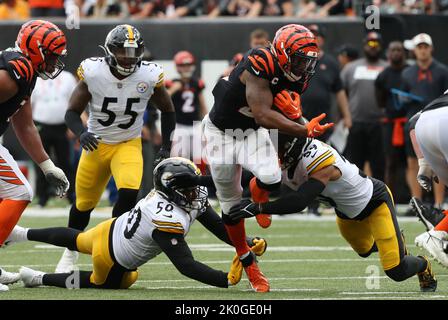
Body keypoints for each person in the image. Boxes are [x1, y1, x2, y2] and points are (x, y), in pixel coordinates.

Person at [203, 24, 333, 292]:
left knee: (272, 178)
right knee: (230, 202)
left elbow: (276, 112)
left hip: (250, 132)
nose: (303, 67)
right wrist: (302, 127)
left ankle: (258, 190)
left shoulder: (300, 76)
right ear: (283, 52)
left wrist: (295, 117)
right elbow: (263, 113)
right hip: (222, 133)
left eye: (307, 61)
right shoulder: (260, 60)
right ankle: (248, 261)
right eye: (298, 60)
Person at [6, 158, 267, 290]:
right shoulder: (167, 217)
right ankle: (39, 278)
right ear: (172, 190)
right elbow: (186, 265)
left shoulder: (177, 197)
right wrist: (224, 279)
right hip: (111, 258)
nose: (194, 193)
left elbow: (218, 226)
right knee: (115, 281)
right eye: (188, 188)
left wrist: (244, 243)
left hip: (110, 228)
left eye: (194, 185)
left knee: (76, 238)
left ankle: (20, 233)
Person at [227, 133, 437, 292]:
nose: (274, 155)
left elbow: (300, 201)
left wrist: (258, 208)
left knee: (395, 271)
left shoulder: (319, 161)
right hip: (346, 212)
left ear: (290, 148)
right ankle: (395, 241)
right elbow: (247, 177)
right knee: (364, 250)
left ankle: (422, 264)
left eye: (278, 149)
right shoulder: (291, 155)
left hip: (375, 202)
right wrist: (202, 180)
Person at [57, 24, 176, 274]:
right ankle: (70, 252)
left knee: (129, 192)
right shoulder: (94, 72)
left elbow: (168, 110)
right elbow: (70, 113)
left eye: (133, 52)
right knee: (83, 204)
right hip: (97, 145)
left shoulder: (148, 75)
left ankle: (114, 247)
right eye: (123, 51)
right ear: (110, 50)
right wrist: (81, 132)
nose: (128, 57)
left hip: (127, 144)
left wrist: (166, 145)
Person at [0, 20, 70, 291]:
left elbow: (24, 124)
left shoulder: (24, 71)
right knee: (18, 192)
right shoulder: (16, 70)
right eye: (52, 57)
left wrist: (47, 165)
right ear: (36, 49)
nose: (54, 64)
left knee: (17, 192)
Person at [401, 33, 448, 210]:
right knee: (414, 163)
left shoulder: (442, 71)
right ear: (414, 50)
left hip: (437, 122)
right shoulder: (407, 72)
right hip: (414, 121)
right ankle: (418, 203)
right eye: (419, 47)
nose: (422, 50)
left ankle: (438, 203)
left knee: (439, 163)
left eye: (425, 47)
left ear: (431, 49)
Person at [407, 91, 448, 267]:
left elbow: (413, 121)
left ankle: (440, 221)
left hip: (423, 123)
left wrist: (424, 162)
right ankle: (437, 232)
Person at [341, 31, 388, 180]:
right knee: (354, 166)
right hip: (356, 123)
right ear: (364, 46)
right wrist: (344, 117)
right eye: (369, 44)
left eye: (376, 44)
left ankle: (380, 199)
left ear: (381, 46)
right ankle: (354, 200)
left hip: (380, 124)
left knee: (379, 165)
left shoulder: (387, 68)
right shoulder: (351, 68)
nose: (372, 47)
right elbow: (341, 93)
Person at [31, 70, 77, 207]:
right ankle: (42, 198)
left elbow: (75, 101)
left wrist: (72, 125)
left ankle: (72, 197)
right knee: (41, 162)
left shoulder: (67, 77)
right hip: (40, 125)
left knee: (65, 163)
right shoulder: (36, 78)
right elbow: (29, 103)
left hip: (62, 126)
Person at [374, 41, 409, 200]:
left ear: (404, 53)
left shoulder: (411, 72)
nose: (396, 53)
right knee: (391, 162)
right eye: (393, 50)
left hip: (409, 121)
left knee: (412, 162)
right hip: (391, 124)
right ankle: (390, 198)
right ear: (388, 53)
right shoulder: (383, 75)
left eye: (399, 50)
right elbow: (380, 101)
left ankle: (417, 199)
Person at [167, 51, 207, 162]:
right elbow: (164, 101)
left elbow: (202, 105)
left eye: (188, 65)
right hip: (179, 125)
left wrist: (206, 124)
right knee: (179, 159)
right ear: (177, 67)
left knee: (201, 158)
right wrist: (174, 88)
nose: (186, 68)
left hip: (196, 124)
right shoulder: (172, 83)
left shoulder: (196, 83)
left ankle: (201, 179)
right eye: (183, 66)